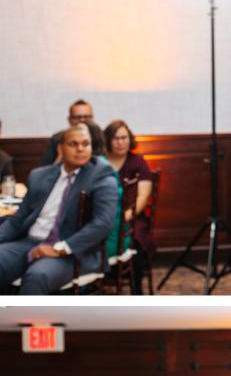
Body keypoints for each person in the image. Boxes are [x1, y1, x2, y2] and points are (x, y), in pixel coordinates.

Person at [0, 125, 120, 293]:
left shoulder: (101, 176)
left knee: (37, 276)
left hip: (74, 251)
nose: (80, 149)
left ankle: (27, 320)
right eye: (73, 144)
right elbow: (18, 219)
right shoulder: (40, 175)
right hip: (30, 241)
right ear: (60, 149)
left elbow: (103, 223)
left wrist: (61, 248)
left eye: (86, 144)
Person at [103, 118, 155, 270]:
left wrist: (124, 216)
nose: (120, 142)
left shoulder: (138, 161)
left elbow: (142, 197)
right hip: (104, 215)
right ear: (108, 140)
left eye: (124, 138)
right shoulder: (101, 162)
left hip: (131, 216)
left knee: (135, 239)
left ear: (129, 139)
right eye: (115, 138)